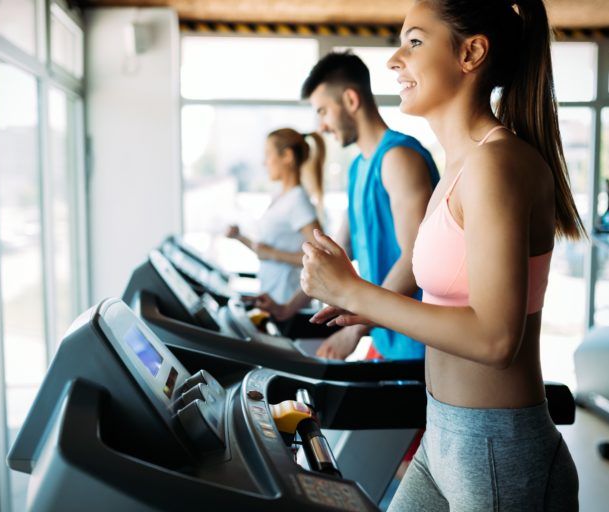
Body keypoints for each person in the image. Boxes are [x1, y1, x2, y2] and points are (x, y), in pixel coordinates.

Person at [300, 1, 582, 510]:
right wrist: (361, 305)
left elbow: (497, 339)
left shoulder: (496, 163)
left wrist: (357, 292)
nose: (393, 61)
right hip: (445, 432)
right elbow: (443, 294)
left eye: (413, 42)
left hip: (497, 449)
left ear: (471, 53)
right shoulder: (459, 165)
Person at [257, 51, 440, 361]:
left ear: (351, 101)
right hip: (384, 339)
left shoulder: (399, 159)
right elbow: (335, 251)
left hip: (419, 348)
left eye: (324, 111)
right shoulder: (358, 168)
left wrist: (355, 330)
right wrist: (289, 307)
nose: (322, 127)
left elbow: (414, 261)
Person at [226, 128, 326, 304]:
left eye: (268, 154)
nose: (264, 162)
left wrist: (273, 254)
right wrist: (239, 237)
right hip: (271, 297)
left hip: (287, 301)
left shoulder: (297, 201)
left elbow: (321, 257)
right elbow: (264, 251)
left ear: (287, 156)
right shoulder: (281, 197)